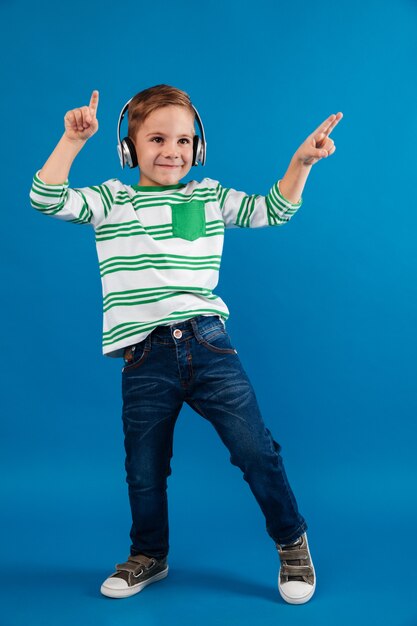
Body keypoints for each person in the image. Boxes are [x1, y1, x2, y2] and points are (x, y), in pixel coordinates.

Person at [29, 84, 342, 605]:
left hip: (206, 342)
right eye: (155, 139)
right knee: (143, 466)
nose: (171, 150)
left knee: (254, 451)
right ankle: (149, 554)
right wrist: (71, 141)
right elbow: (46, 198)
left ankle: (291, 542)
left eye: (183, 139)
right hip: (144, 355)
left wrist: (300, 162)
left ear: (199, 146)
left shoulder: (209, 196)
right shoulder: (111, 199)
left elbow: (275, 210)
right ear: (128, 149)